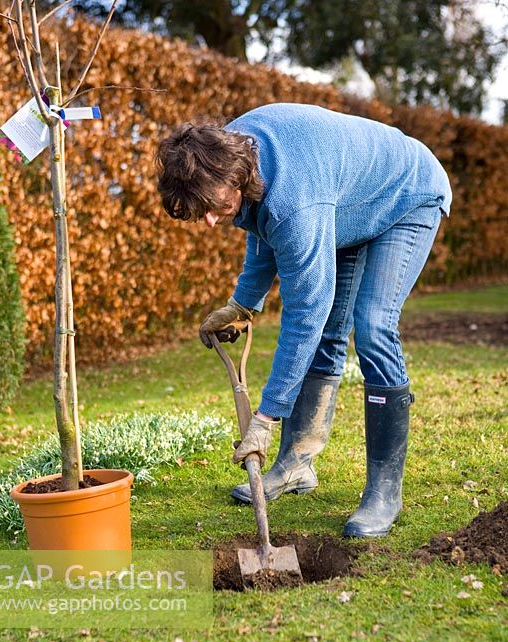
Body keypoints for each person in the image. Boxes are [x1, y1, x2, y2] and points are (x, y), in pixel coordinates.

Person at [156, 103, 452, 538]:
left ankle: (384, 491)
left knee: (372, 326)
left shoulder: (294, 199)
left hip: (406, 196)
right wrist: (242, 304)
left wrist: (267, 417)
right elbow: (261, 226)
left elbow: (303, 313)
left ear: (235, 175)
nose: (211, 220)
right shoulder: (227, 155)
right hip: (347, 203)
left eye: (212, 207)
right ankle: (296, 465)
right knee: (331, 332)